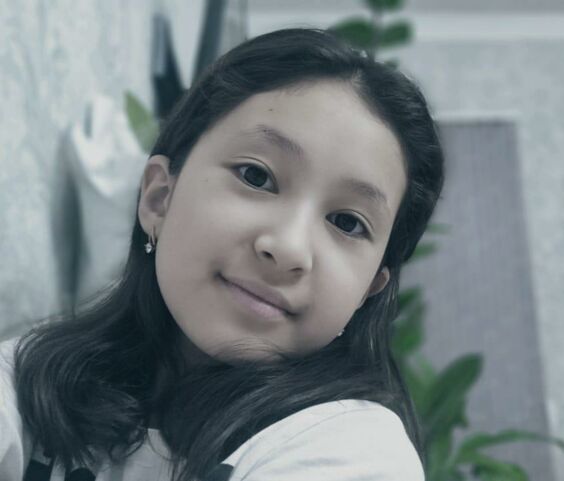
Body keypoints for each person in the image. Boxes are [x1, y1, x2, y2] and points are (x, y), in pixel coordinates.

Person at [0, 27, 444, 481]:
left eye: (347, 222)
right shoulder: (23, 384)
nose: (287, 248)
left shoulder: (356, 451)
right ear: (159, 198)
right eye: (256, 176)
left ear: (368, 290)